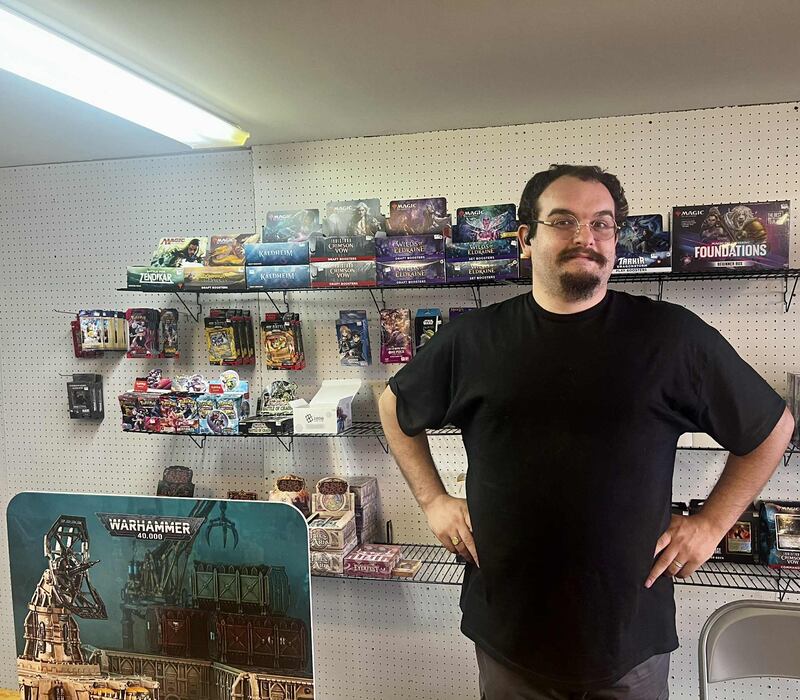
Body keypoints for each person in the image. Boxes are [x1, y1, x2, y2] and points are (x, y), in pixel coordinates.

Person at [378, 164, 793, 700]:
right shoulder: (473, 338)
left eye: (602, 224)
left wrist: (712, 523)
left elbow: (772, 427)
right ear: (527, 239)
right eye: (564, 221)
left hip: (626, 641)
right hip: (509, 634)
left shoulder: (670, 337)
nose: (586, 238)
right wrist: (433, 499)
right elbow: (393, 405)